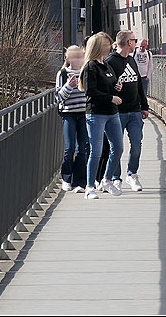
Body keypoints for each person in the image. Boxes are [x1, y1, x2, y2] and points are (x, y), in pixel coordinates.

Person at [81, 31, 123, 200]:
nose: (110, 47)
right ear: (98, 47)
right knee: (96, 151)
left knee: (118, 148)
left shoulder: (107, 65)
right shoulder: (90, 66)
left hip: (112, 113)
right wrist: (110, 97)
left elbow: (109, 84)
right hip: (96, 113)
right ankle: (89, 186)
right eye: (107, 45)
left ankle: (106, 179)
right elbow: (90, 92)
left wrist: (116, 88)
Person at [108, 30, 150, 192]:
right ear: (128, 43)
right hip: (117, 112)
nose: (137, 43)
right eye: (134, 40)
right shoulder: (110, 61)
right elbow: (106, 84)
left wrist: (144, 106)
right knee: (116, 147)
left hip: (134, 110)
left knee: (137, 143)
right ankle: (115, 177)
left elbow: (139, 84)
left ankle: (132, 174)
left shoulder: (132, 60)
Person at [55, 45, 89, 193]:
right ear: (68, 58)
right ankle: (66, 178)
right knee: (70, 148)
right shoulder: (62, 74)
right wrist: (69, 86)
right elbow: (58, 97)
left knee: (83, 148)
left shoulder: (86, 72)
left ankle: (79, 181)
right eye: (74, 56)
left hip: (84, 113)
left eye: (80, 56)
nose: (77, 59)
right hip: (69, 113)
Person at [136, 35, 153, 104]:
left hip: (144, 78)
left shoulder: (148, 54)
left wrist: (148, 77)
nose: (141, 48)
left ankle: (143, 108)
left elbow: (150, 66)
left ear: (146, 46)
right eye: (140, 46)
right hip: (136, 78)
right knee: (136, 95)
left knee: (144, 95)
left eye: (143, 46)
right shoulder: (134, 53)